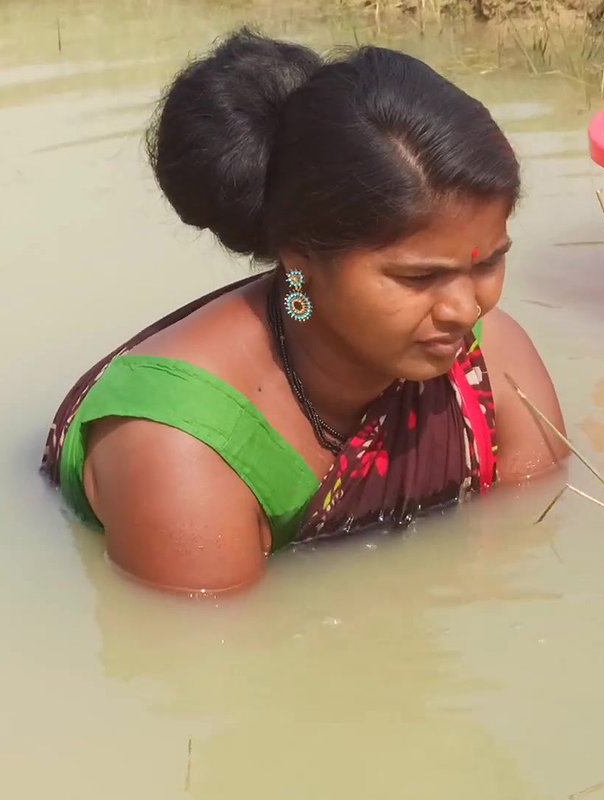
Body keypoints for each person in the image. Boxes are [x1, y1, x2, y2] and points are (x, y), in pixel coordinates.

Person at [41, 28, 568, 594]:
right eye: (420, 277)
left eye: (488, 264)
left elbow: (532, 533)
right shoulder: (178, 450)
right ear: (300, 264)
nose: (467, 308)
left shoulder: (489, 363)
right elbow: (203, 661)